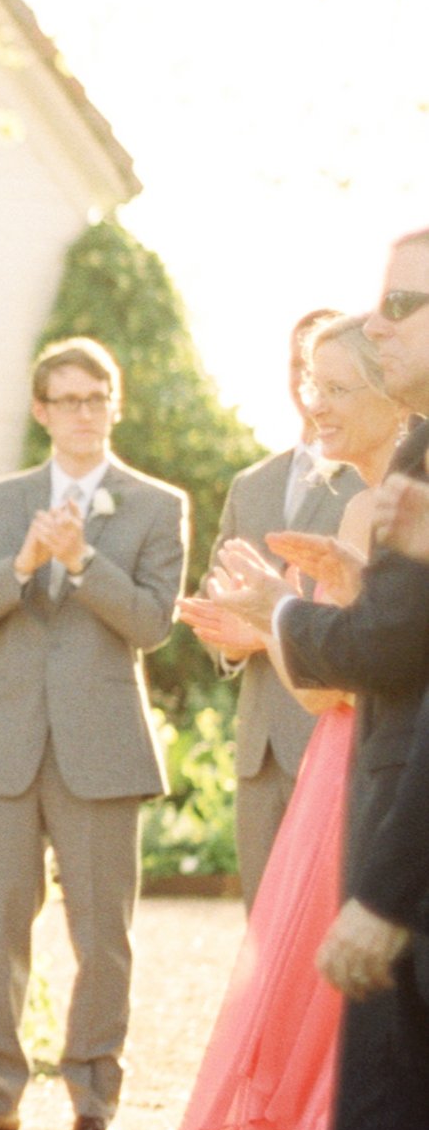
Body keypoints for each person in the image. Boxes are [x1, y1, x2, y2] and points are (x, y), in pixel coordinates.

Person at [202, 230, 429, 1130]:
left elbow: (392, 652)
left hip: (411, 855)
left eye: (402, 305)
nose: (375, 324)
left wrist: (277, 620)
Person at [171, 317, 407, 1130]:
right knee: (308, 1042)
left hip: (367, 783)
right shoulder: (365, 500)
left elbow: (349, 676)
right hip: (335, 775)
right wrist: (261, 623)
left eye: (334, 386)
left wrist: (278, 616)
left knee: (334, 1045)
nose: (313, 403)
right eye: (308, 384)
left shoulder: (390, 503)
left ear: (393, 395)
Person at [0, 338, 187, 1130]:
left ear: (115, 404)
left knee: (102, 934)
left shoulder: (154, 504)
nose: (81, 414)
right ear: (41, 411)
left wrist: (85, 560)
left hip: (102, 747)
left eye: (94, 398)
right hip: (8, 745)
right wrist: (26, 561)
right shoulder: (1, 503)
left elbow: (152, 624)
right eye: (64, 400)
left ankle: (94, 1104)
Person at [217, 310, 360, 901]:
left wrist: (279, 620)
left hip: (335, 735)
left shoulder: (376, 483)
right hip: (260, 749)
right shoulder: (250, 485)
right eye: (302, 370)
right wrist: (226, 635)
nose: (312, 390)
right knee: (261, 924)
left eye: (328, 379)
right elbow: (219, 594)